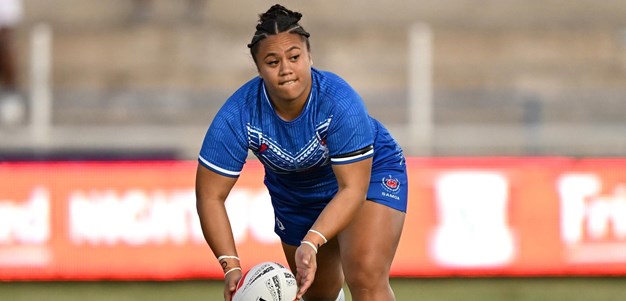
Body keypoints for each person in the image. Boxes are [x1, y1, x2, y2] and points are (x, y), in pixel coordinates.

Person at [195, 4, 407, 301]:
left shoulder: (340, 102)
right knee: (316, 293)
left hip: (366, 175)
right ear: (258, 69)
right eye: (272, 61)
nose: (286, 70)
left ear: (309, 57)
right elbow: (209, 196)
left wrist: (312, 240)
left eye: (294, 57)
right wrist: (230, 265)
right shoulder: (237, 115)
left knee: (366, 275)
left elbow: (352, 188)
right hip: (295, 194)